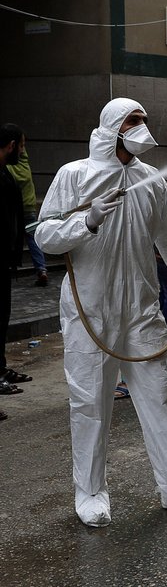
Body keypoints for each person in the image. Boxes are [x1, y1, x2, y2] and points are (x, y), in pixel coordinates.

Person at [34, 98, 167, 527]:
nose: (142, 127)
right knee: (90, 402)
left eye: (144, 120)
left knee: (161, 394)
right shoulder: (74, 176)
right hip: (90, 310)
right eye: (134, 121)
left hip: (140, 308)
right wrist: (87, 222)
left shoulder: (150, 180)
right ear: (113, 127)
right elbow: (45, 235)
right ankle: (91, 492)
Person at [0, 123, 28, 396]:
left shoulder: (5, 173)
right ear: (10, 145)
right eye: (20, 145)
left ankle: (1, 367)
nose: (21, 150)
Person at [7, 132, 47, 287]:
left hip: (16, 210)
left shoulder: (9, 169)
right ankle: (41, 269)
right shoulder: (25, 164)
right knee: (33, 239)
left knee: (13, 237)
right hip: (30, 207)